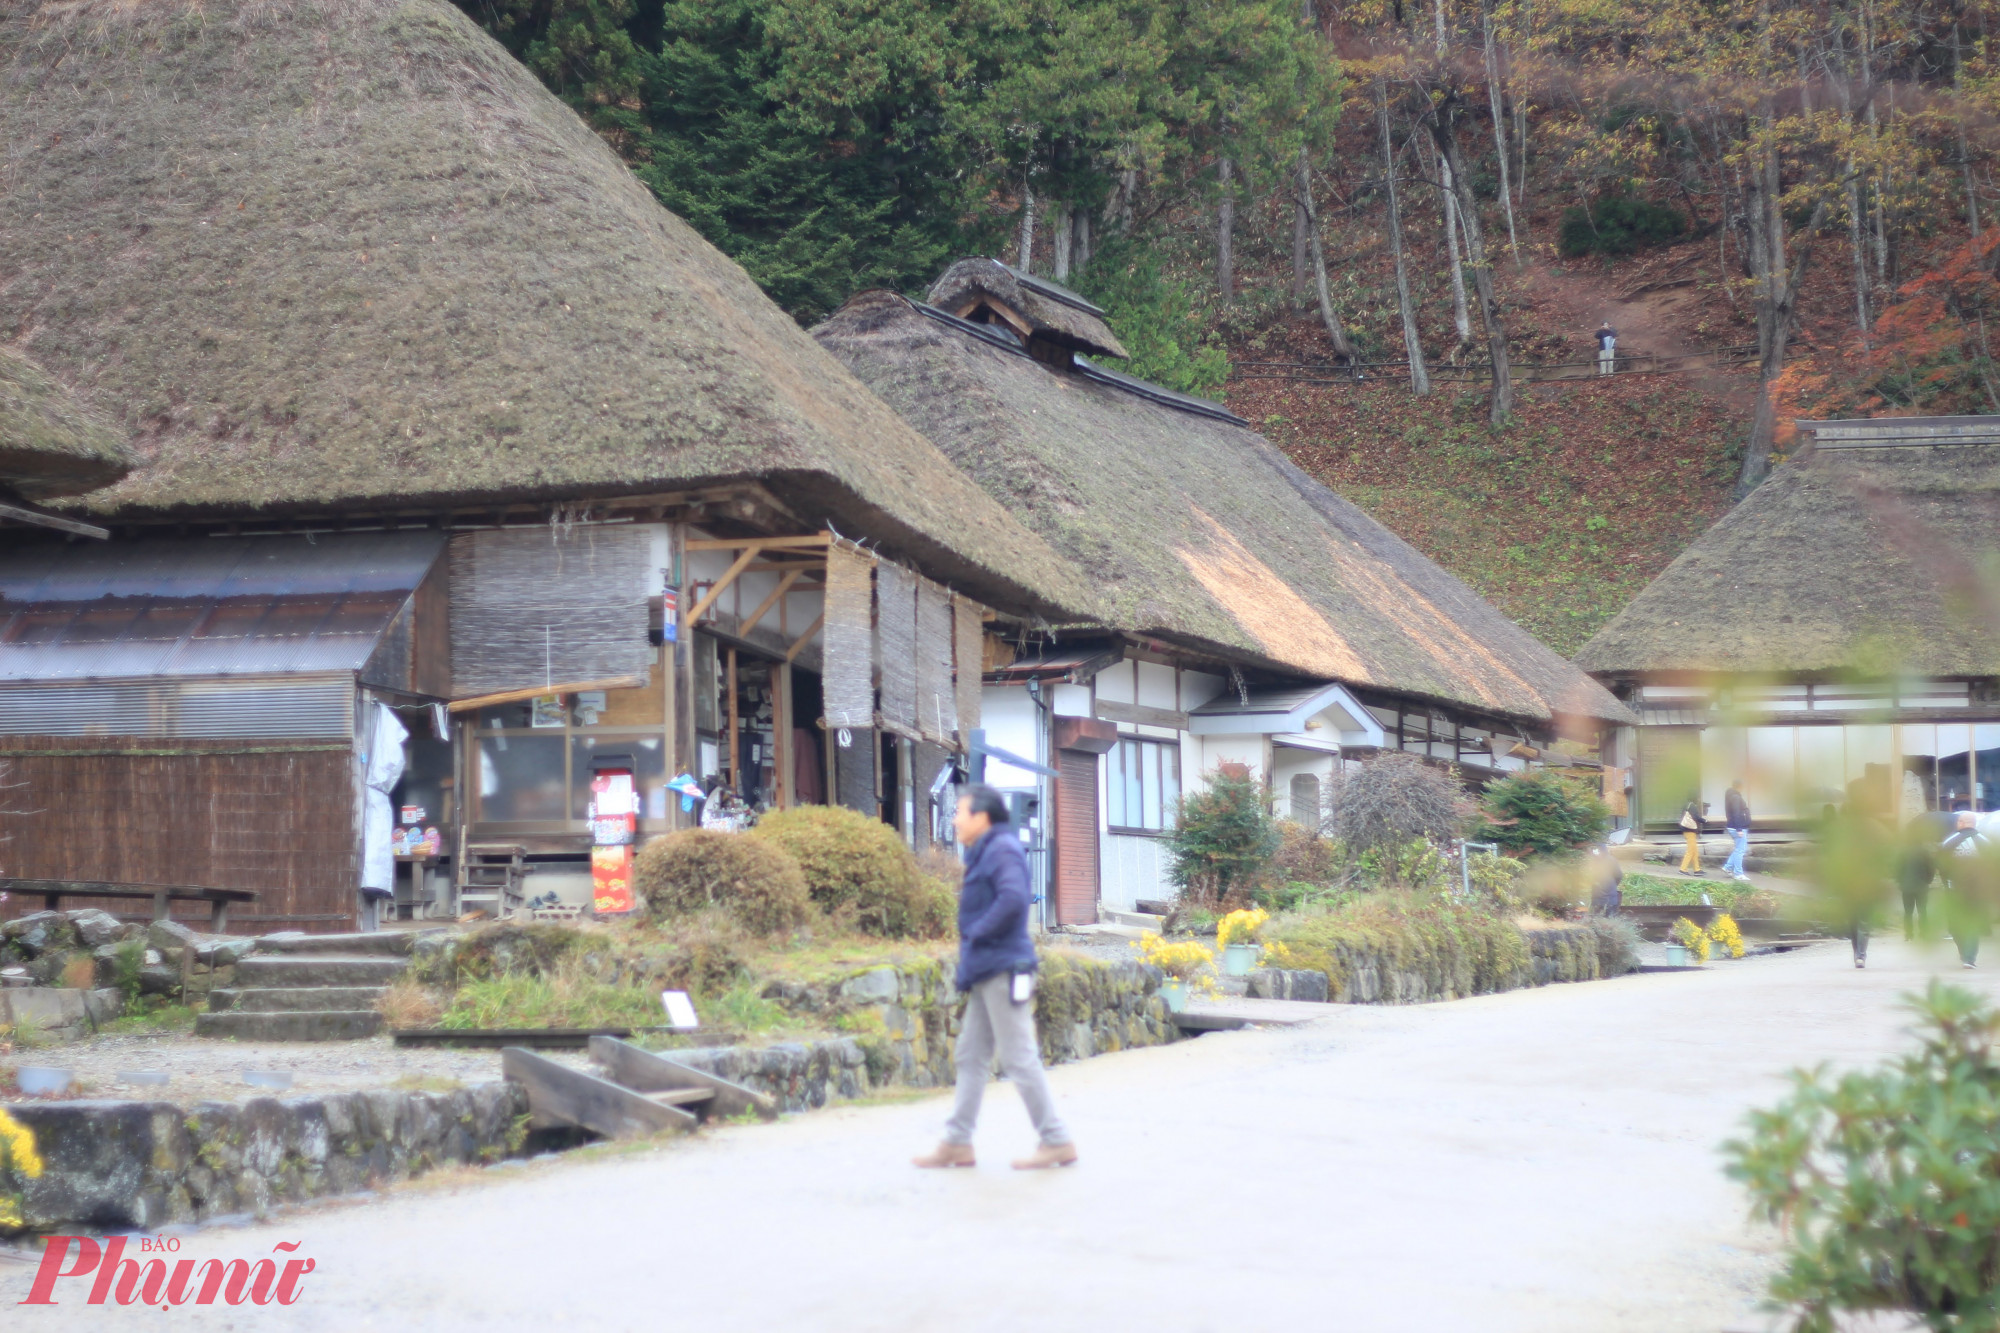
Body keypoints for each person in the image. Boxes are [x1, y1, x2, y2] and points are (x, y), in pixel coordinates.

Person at [914, 785, 1076, 1171]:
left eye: (959, 812)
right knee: (971, 1055)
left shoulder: (1001, 849)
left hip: (1003, 968)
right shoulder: (986, 849)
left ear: (982, 817)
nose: (954, 819)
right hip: (987, 968)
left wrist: (977, 933)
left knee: (1019, 1056)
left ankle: (1055, 1139)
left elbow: (1013, 898)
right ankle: (956, 1142)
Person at [1942, 810, 1994, 968]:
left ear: (1961, 823)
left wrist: (1947, 882)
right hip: (1976, 891)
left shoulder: (1949, 842)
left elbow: (1941, 865)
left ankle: (1964, 953)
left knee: (1955, 924)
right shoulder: (1985, 842)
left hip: (1954, 889)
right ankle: (1969, 958)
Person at [1721, 779, 1752, 881]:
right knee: (1740, 850)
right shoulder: (1735, 797)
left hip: (1734, 826)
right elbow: (1736, 813)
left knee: (1738, 849)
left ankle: (1728, 867)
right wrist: (1739, 828)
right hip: (1738, 827)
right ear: (1739, 786)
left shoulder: (1731, 795)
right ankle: (1738, 874)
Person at [1678, 795, 1705, 876]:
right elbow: (1696, 817)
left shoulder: (1686, 805)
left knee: (1694, 851)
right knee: (1690, 851)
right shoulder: (1692, 806)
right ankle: (1682, 869)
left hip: (1687, 830)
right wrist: (1704, 820)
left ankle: (1697, 869)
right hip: (1690, 831)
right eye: (1697, 797)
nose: (1698, 798)